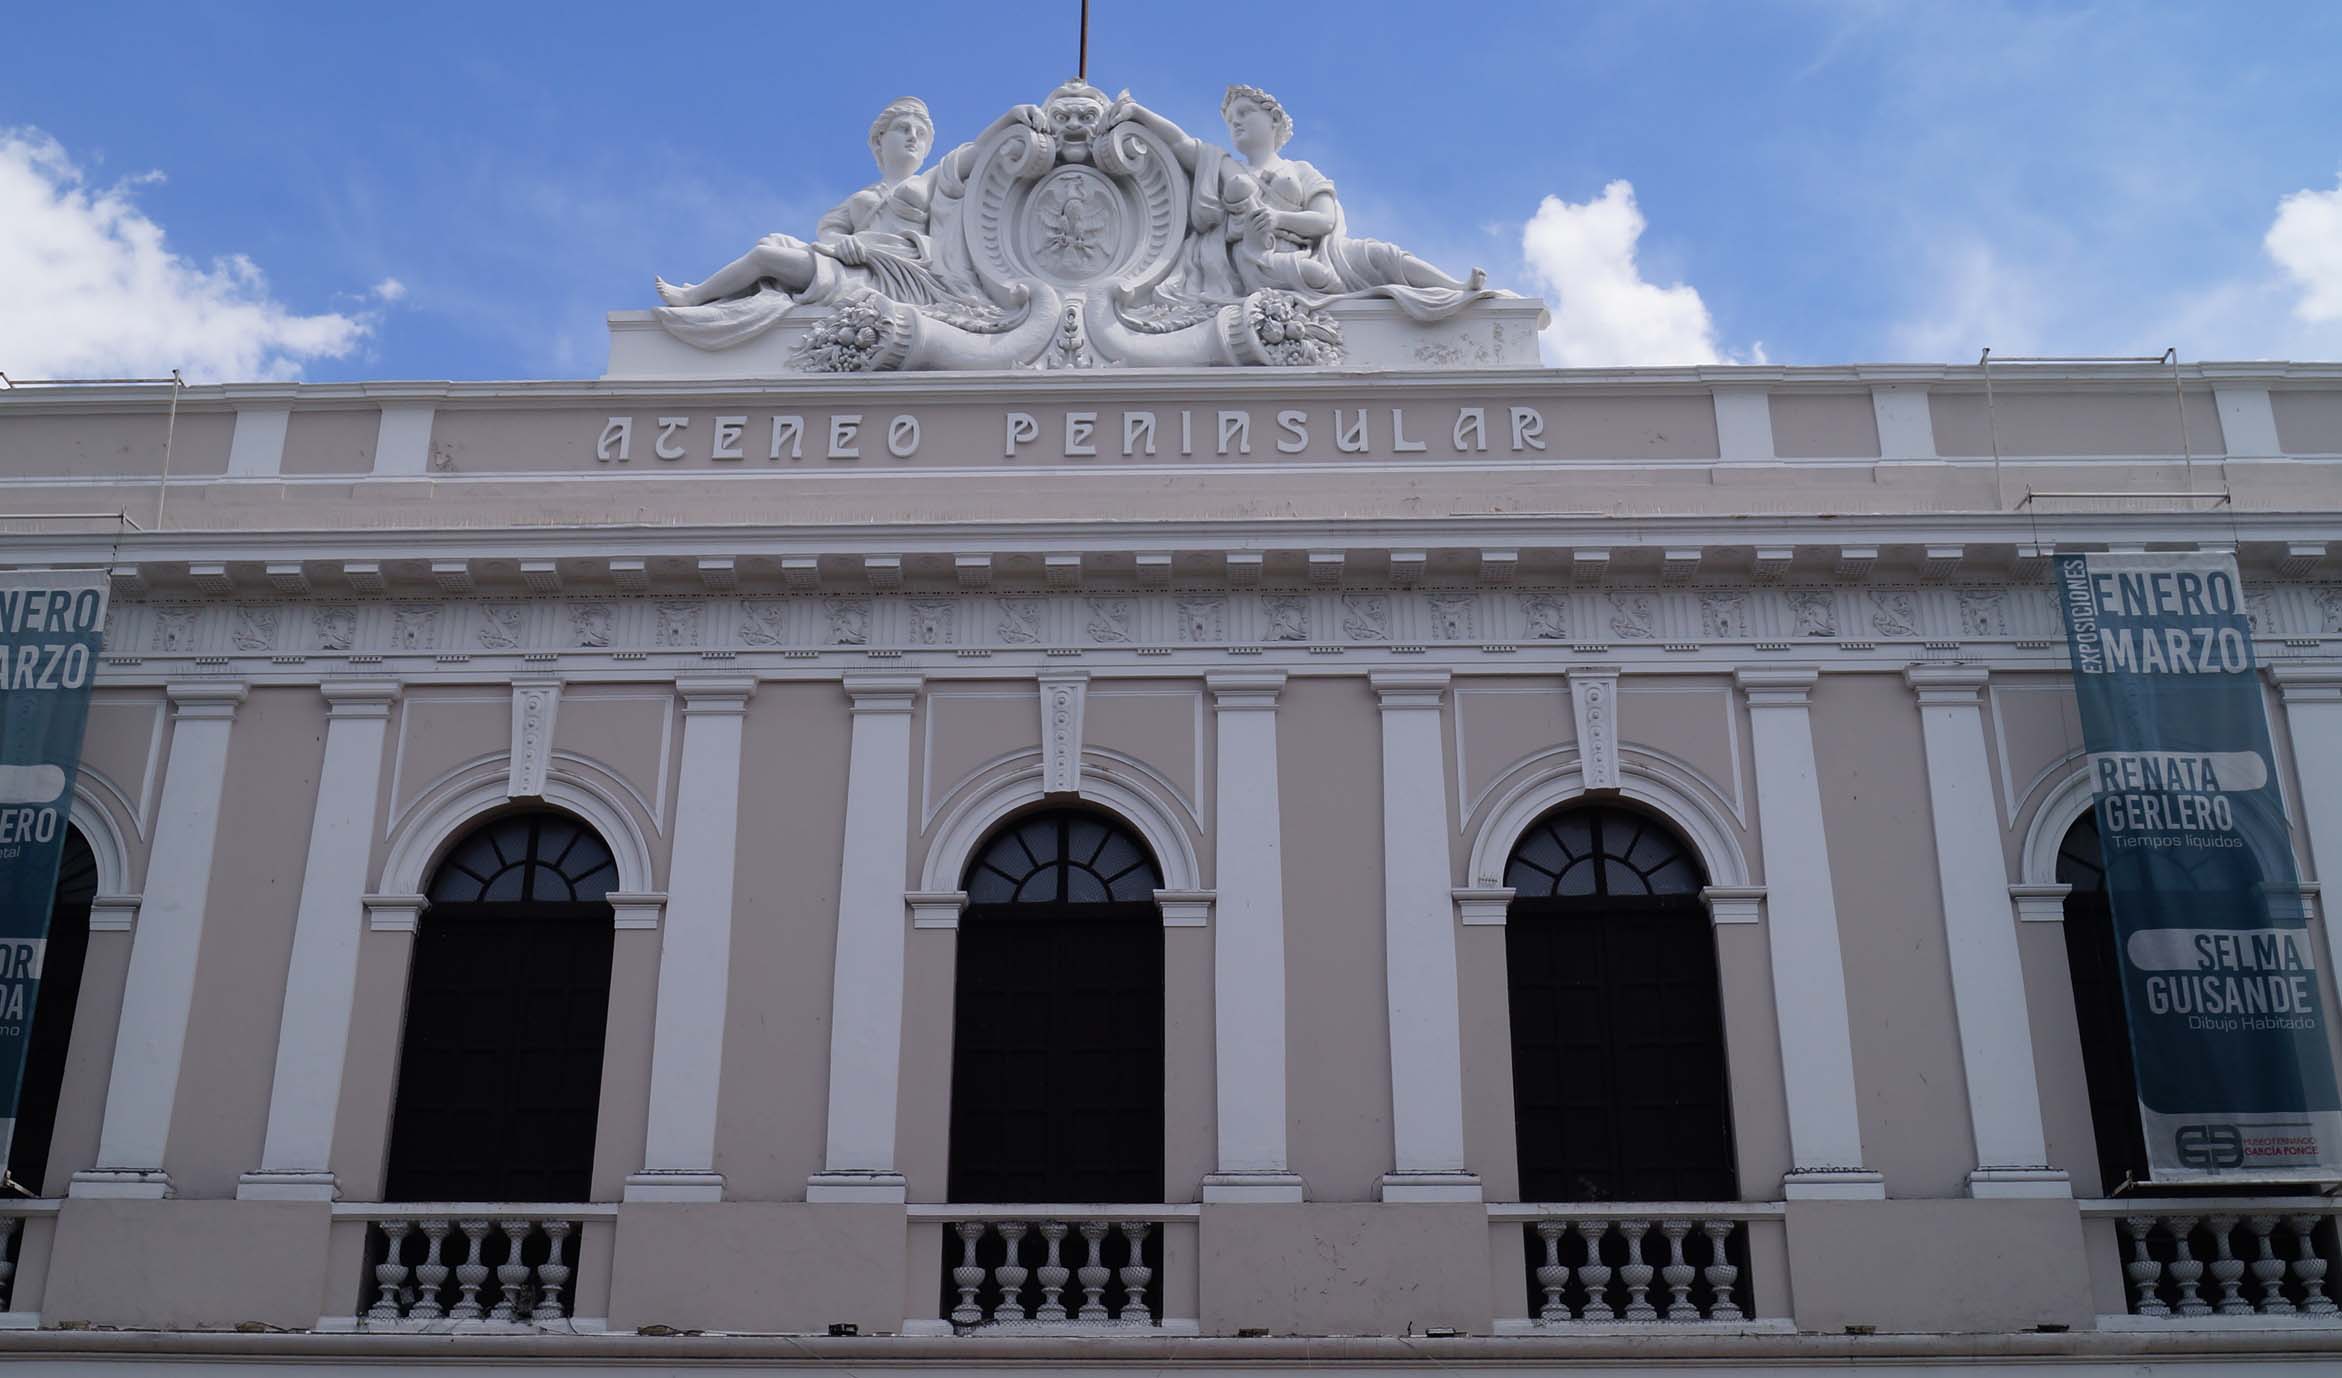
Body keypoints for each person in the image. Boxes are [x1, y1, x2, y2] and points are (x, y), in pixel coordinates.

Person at [1110, 85, 1495, 320]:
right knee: (1313, 279)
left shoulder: (1301, 170)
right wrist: (1138, 113)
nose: (1236, 123)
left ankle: (1457, 289)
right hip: (1257, 263)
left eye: (1245, 113)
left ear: (1274, 120)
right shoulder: (1226, 166)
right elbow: (1181, 144)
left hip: (1318, 254)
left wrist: (1277, 218)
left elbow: (1324, 221)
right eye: (1230, 119)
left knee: (1382, 255)